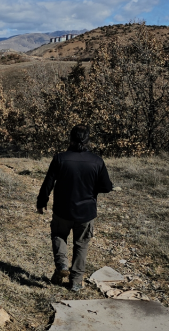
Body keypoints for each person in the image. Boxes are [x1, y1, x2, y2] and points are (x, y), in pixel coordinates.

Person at [36, 125, 113, 292]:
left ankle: (62, 263)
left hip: (62, 210)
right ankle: (76, 282)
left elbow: (48, 183)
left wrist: (41, 202)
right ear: (88, 141)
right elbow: (107, 187)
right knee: (81, 244)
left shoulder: (60, 158)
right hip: (86, 213)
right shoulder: (97, 161)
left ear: (70, 139)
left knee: (58, 234)